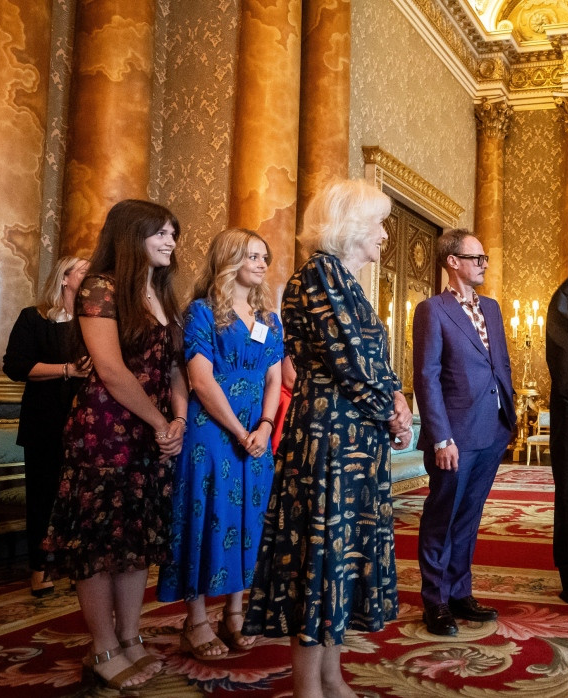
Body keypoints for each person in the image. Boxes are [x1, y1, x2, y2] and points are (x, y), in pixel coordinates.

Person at [244, 179, 412, 698]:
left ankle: (331, 676)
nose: (385, 234)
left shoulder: (344, 279)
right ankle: (307, 688)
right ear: (351, 226)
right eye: (379, 223)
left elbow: (372, 364)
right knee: (318, 561)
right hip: (329, 437)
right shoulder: (319, 273)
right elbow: (352, 362)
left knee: (340, 560)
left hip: (354, 435)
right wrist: (394, 410)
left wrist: (396, 403)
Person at [43, 199, 188, 690]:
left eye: (173, 233)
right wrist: (157, 422)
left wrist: (179, 420)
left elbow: (173, 369)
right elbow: (109, 370)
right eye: (161, 232)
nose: (171, 241)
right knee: (99, 541)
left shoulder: (164, 294)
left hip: (152, 430)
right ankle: (101, 646)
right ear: (132, 234)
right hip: (106, 428)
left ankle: (130, 638)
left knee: (135, 539)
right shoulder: (100, 286)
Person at [158, 228, 283, 659]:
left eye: (264, 256)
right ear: (229, 259)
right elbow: (199, 379)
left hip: (256, 433)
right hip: (211, 432)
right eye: (252, 256)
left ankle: (234, 613)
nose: (262, 263)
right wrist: (238, 430)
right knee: (204, 515)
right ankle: (194, 623)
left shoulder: (269, 319)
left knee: (250, 521)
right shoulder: (202, 312)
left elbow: (274, 377)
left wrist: (265, 426)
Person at [412, 229, 516, 636]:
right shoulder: (432, 310)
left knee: (469, 518)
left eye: (484, 257)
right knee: (443, 516)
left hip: (492, 430)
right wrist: (440, 437)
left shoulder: (491, 308)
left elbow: (500, 365)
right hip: (454, 437)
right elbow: (427, 377)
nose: (484, 264)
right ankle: (435, 600)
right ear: (452, 261)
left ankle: (459, 592)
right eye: (477, 257)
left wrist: (508, 420)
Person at [2, 256, 92, 597]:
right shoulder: (34, 317)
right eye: (83, 272)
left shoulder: (93, 322)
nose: (89, 278)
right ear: (65, 279)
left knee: (81, 497)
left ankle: (74, 564)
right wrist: (68, 369)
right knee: (44, 495)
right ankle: (39, 567)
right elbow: (15, 366)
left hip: (86, 423)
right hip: (44, 420)